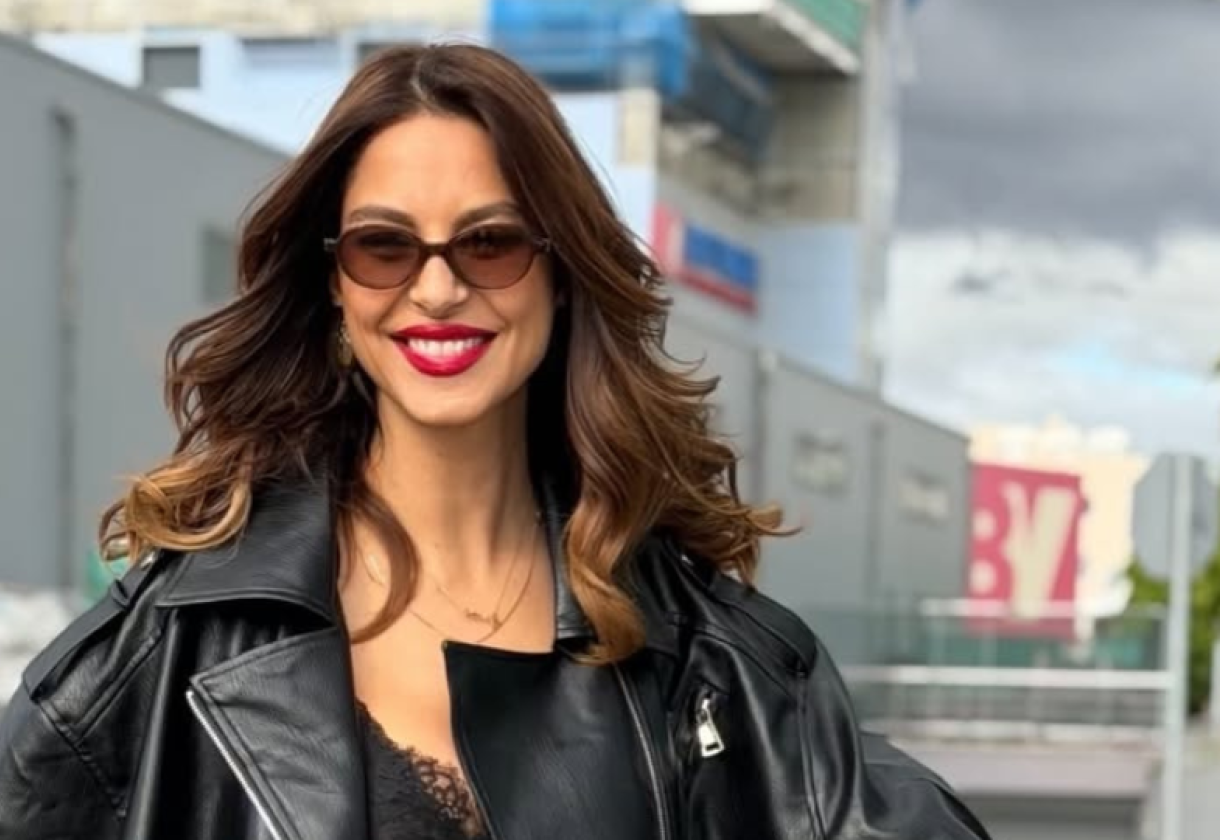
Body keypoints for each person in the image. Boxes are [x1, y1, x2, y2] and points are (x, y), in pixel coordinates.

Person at [0, 43, 989, 840]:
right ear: (334, 286)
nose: (436, 289)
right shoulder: (170, 642)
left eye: (490, 242)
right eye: (384, 246)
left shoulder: (708, 661)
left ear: (559, 276)